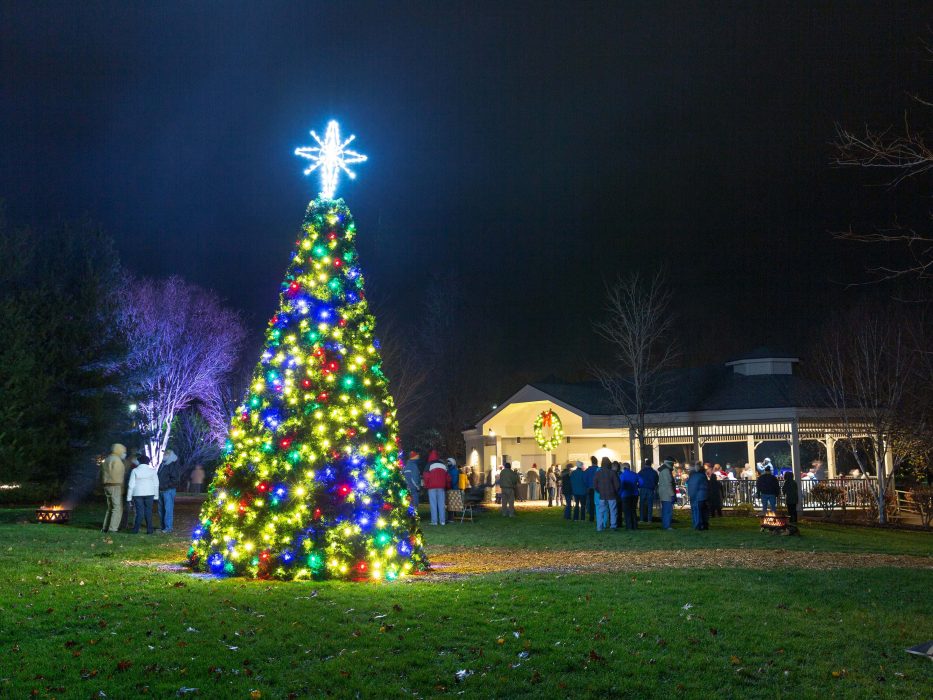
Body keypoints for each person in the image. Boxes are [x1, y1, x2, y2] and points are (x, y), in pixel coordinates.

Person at [127, 454, 159, 534]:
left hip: (137, 494)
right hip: (150, 493)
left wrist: (129, 497)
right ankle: (149, 530)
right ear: (148, 462)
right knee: (148, 511)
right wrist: (156, 496)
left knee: (139, 512)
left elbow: (131, 485)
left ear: (139, 461)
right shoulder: (152, 471)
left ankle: (135, 530)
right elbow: (156, 484)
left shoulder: (135, 470)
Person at [100, 443, 127, 533]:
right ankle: (113, 528)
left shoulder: (107, 459)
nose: (124, 453)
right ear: (119, 450)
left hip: (106, 485)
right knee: (117, 508)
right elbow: (120, 475)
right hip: (115, 485)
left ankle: (105, 527)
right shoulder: (117, 461)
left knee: (110, 508)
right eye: (123, 451)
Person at [157, 449, 181, 533]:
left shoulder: (172, 465)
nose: (164, 455)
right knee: (161, 509)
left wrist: (165, 486)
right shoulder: (163, 464)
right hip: (160, 490)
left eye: (166, 454)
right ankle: (163, 526)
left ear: (170, 455)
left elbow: (175, 480)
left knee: (168, 509)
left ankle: (168, 527)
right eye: (164, 454)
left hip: (168, 490)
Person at [594, 456, 620, 531]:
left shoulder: (598, 473)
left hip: (602, 495)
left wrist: (599, 491)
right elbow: (617, 484)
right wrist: (615, 491)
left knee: (601, 511)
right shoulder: (612, 473)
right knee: (613, 511)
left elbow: (595, 485)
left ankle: (599, 527)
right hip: (612, 495)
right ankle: (613, 526)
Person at [423, 456, 450, 525]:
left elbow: (426, 477)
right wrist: (447, 486)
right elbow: (448, 477)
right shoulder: (443, 465)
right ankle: (442, 521)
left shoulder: (428, 465)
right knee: (441, 504)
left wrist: (426, 485)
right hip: (441, 487)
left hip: (432, 487)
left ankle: (434, 521)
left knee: (433, 504)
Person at [686, 462, 709, 530]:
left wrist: (691, 495)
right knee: (704, 511)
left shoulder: (694, 476)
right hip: (704, 496)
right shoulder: (703, 475)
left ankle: (698, 525)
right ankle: (705, 525)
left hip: (697, 497)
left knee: (697, 512)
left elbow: (692, 486)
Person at [619, 462, 639, 530]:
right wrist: (637, 486)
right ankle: (635, 526)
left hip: (625, 495)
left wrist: (620, 493)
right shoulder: (635, 474)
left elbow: (621, 485)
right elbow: (642, 482)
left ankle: (629, 526)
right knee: (633, 510)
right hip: (635, 494)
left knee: (627, 511)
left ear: (623, 468)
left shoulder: (622, 475)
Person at [657, 458, 676, 530]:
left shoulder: (663, 470)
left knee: (665, 510)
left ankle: (665, 525)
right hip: (667, 494)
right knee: (668, 510)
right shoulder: (666, 471)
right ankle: (667, 525)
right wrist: (672, 494)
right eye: (673, 463)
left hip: (663, 493)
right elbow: (668, 484)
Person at [585, 457, 597, 522]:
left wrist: (587, 486)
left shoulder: (588, 470)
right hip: (598, 489)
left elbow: (585, 479)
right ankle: (599, 516)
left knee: (591, 503)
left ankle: (591, 518)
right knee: (598, 503)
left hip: (590, 488)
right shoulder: (598, 469)